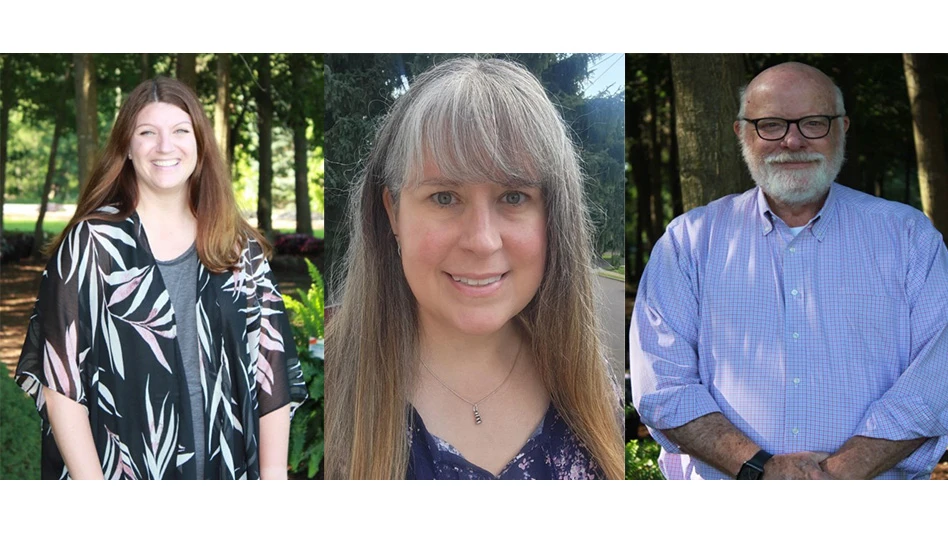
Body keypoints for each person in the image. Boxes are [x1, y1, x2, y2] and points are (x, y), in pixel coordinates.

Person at [629, 61, 948, 480]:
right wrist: (762, 471)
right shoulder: (688, 242)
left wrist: (837, 476)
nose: (793, 140)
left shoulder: (909, 237)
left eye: (814, 122)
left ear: (842, 128)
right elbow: (662, 386)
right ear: (742, 132)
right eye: (771, 124)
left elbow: (935, 378)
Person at [325, 57, 623, 480]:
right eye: (445, 197)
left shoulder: (589, 379)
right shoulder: (328, 389)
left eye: (514, 197)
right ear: (393, 214)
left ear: (554, 215)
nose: (482, 241)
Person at [15, 77, 306, 480]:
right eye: (147, 133)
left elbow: (271, 370)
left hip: (230, 471)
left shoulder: (237, 246)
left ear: (200, 145)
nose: (165, 146)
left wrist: (274, 480)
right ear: (127, 148)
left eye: (180, 131)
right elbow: (60, 384)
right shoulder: (92, 244)